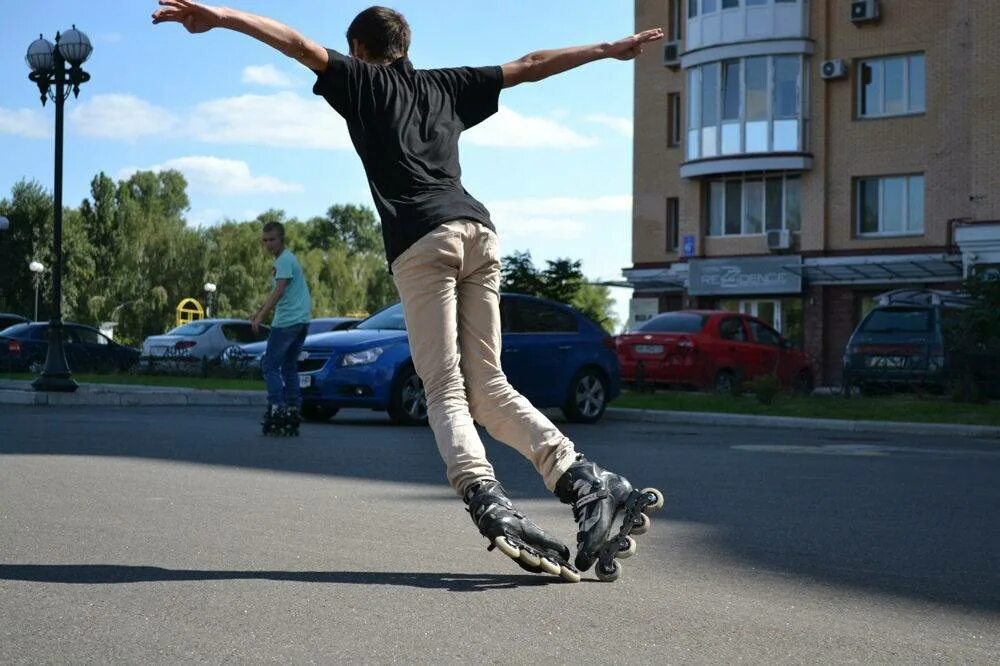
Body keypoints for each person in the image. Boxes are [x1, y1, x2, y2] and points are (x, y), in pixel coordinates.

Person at [153, 1, 663, 581]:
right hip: (479, 232)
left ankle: (485, 496)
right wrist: (606, 49)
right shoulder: (446, 87)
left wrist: (222, 17)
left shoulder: (360, 81)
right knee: (490, 386)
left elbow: (296, 43)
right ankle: (588, 485)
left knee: (445, 386)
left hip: (422, 240)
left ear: (362, 49)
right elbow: (529, 62)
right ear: (406, 46)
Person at [253, 220, 312, 435]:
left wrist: (261, 315)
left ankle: (277, 406)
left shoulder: (284, 261)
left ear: (282, 239)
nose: (268, 244)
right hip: (301, 321)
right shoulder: (287, 259)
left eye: (272, 239)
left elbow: (279, 291)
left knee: (269, 365)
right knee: (288, 366)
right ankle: (294, 408)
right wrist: (259, 311)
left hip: (287, 322)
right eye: (265, 240)